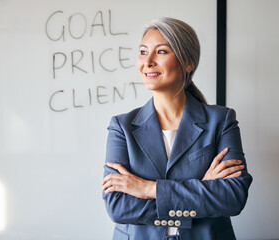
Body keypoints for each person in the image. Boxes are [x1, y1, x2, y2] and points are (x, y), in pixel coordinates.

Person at [101, 17, 252, 240]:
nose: (148, 61)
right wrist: (201, 188)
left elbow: (232, 197)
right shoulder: (122, 127)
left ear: (188, 62)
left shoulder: (221, 120)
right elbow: (119, 207)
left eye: (160, 52)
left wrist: (149, 189)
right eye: (143, 52)